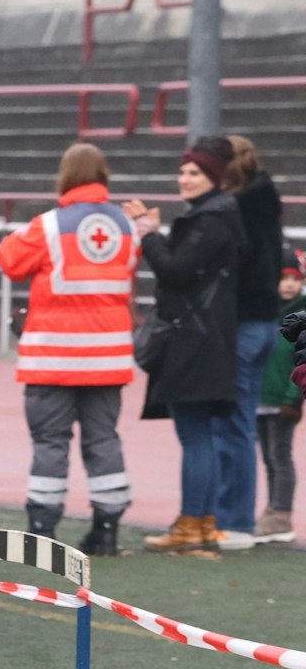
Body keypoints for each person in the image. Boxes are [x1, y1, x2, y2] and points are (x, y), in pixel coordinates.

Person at [0, 143, 138, 555]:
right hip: (107, 358)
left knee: (50, 442)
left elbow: (10, 261)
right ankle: (106, 529)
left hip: (53, 358)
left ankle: (43, 529)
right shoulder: (126, 227)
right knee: (103, 439)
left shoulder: (48, 225)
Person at [128, 136, 244, 555]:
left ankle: (193, 524)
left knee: (195, 435)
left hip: (195, 340)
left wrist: (148, 235)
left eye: (194, 172)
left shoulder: (211, 220)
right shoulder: (216, 216)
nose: (185, 179)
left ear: (213, 176)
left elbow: (176, 271)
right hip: (207, 337)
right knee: (199, 435)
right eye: (182, 172)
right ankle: (200, 522)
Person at [213, 136, 286, 550]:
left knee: (233, 427)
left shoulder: (236, 209)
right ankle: (233, 517)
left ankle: (234, 521)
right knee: (240, 424)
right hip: (264, 323)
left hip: (241, 325)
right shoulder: (265, 202)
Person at [254, 253, 304, 544]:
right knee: (268, 457)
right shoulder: (267, 311)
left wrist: (293, 399)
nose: (288, 284)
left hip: (284, 401)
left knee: (281, 455)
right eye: (283, 278)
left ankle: (282, 514)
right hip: (261, 397)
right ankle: (271, 509)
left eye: (294, 279)